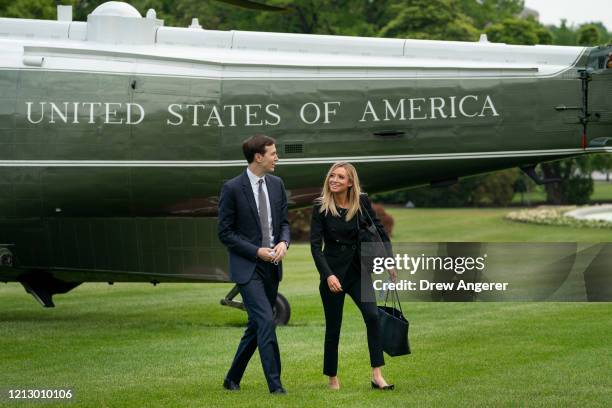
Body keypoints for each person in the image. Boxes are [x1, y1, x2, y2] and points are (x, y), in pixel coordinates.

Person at [310, 161, 395, 391]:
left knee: (373, 317)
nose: (334, 180)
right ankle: (332, 378)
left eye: (340, 177)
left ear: (350, 182)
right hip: (333, 275)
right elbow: (316, 247)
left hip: (359, 271)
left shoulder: (362, 201)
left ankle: (377, 374)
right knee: (333, 327)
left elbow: (378, 230)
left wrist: (389, 261)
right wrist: (327, 276)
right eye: (332, 176)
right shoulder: (320, 206)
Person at [218, 134, 290, 394]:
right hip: (247, 267)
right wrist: (256, 251)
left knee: (256, 325)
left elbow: (284, 223)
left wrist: (284, 242)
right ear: (258, 157)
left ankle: (231, 378)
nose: (277, 158)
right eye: (273, 153)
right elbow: (225, 233)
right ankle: (276, 387)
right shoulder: (232, 188)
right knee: (266, 321)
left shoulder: (277, 184)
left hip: (272, 266)